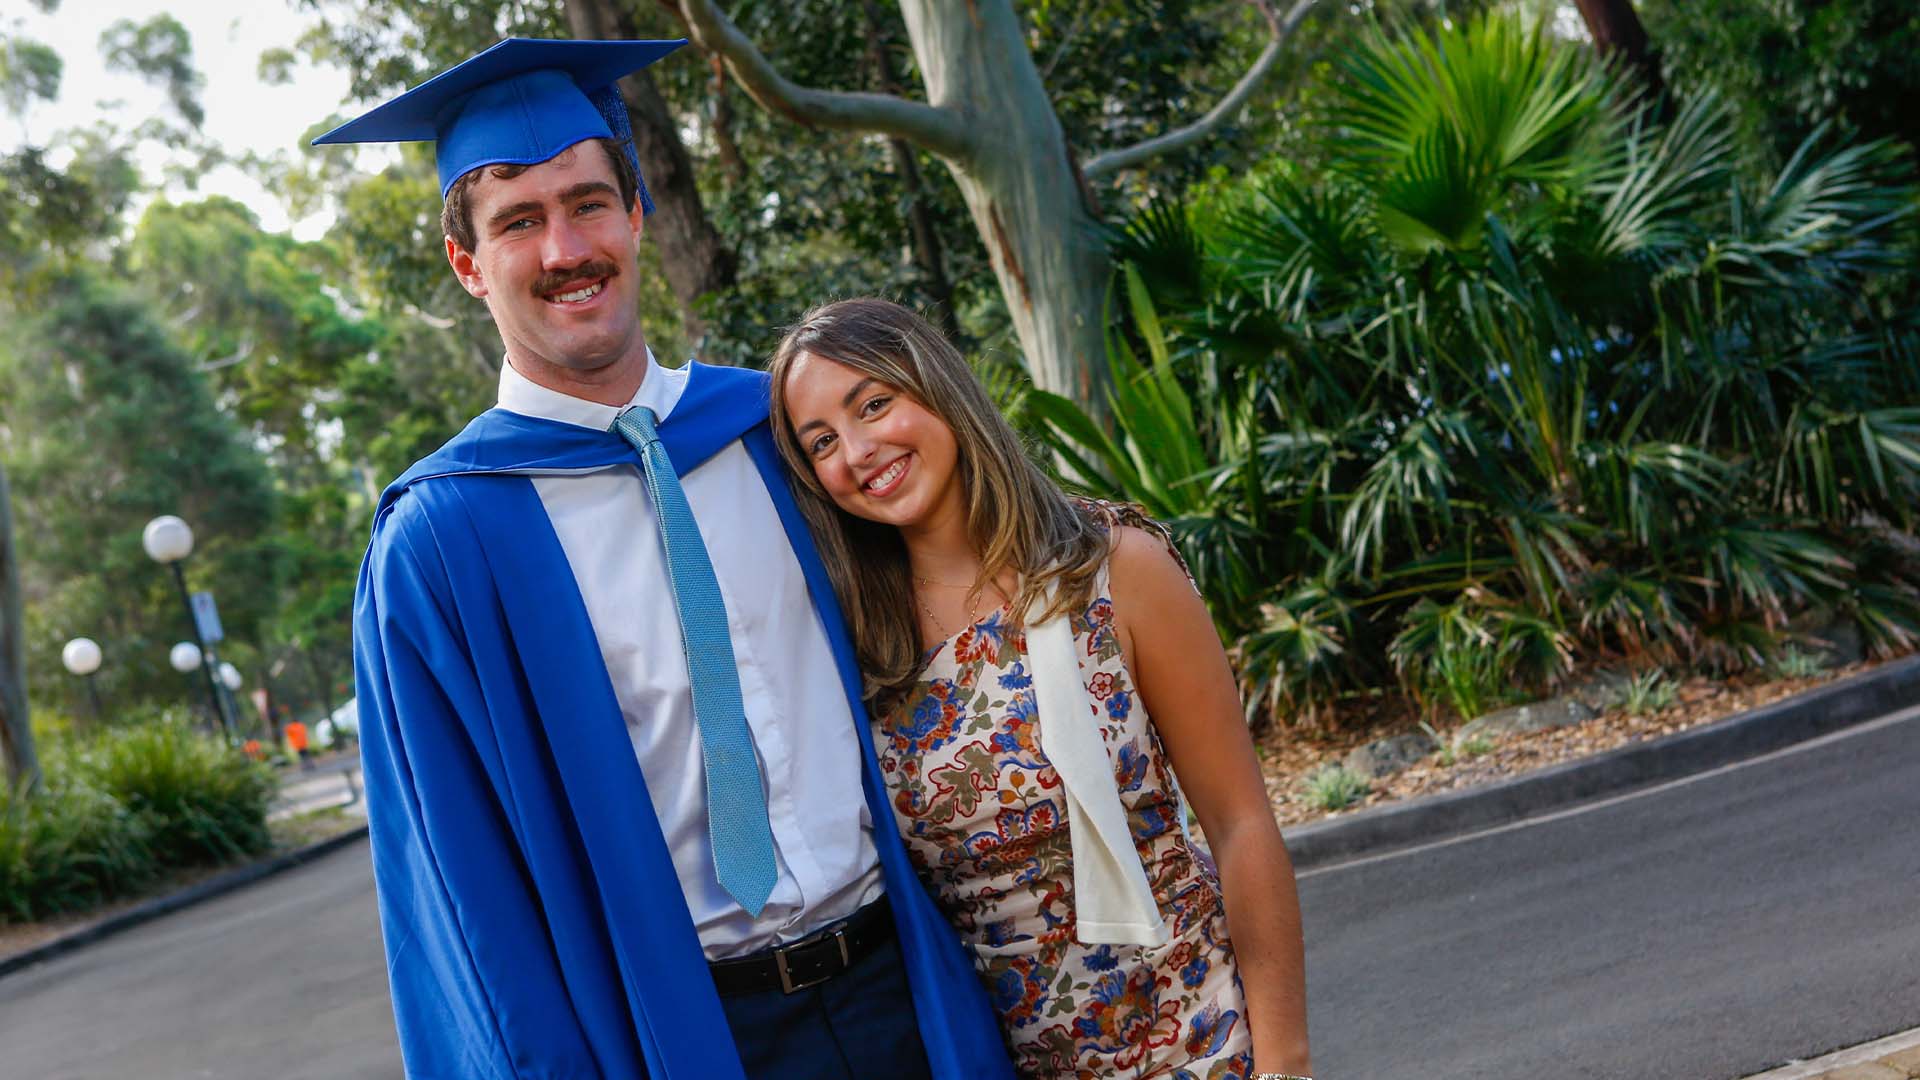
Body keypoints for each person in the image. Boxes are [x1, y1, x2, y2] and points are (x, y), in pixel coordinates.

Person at [323, 39, 1012, 1079]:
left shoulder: (778, 432)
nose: (566, 247)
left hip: (908, 987)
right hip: (679, 1038)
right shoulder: (441, 543)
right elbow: (459, 896)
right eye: (519, 221)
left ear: (637, 213)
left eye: (589, 202)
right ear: (468, 265)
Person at [769, 299, 1314, 1080]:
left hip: (1199, 1038)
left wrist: (1286, 1061)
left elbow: (1240, 823)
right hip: (1003, 1062)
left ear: (936, 388)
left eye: (874, 404)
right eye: (822, 442)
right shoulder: (857, 653)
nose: (858, 451)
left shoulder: (1114, 568)